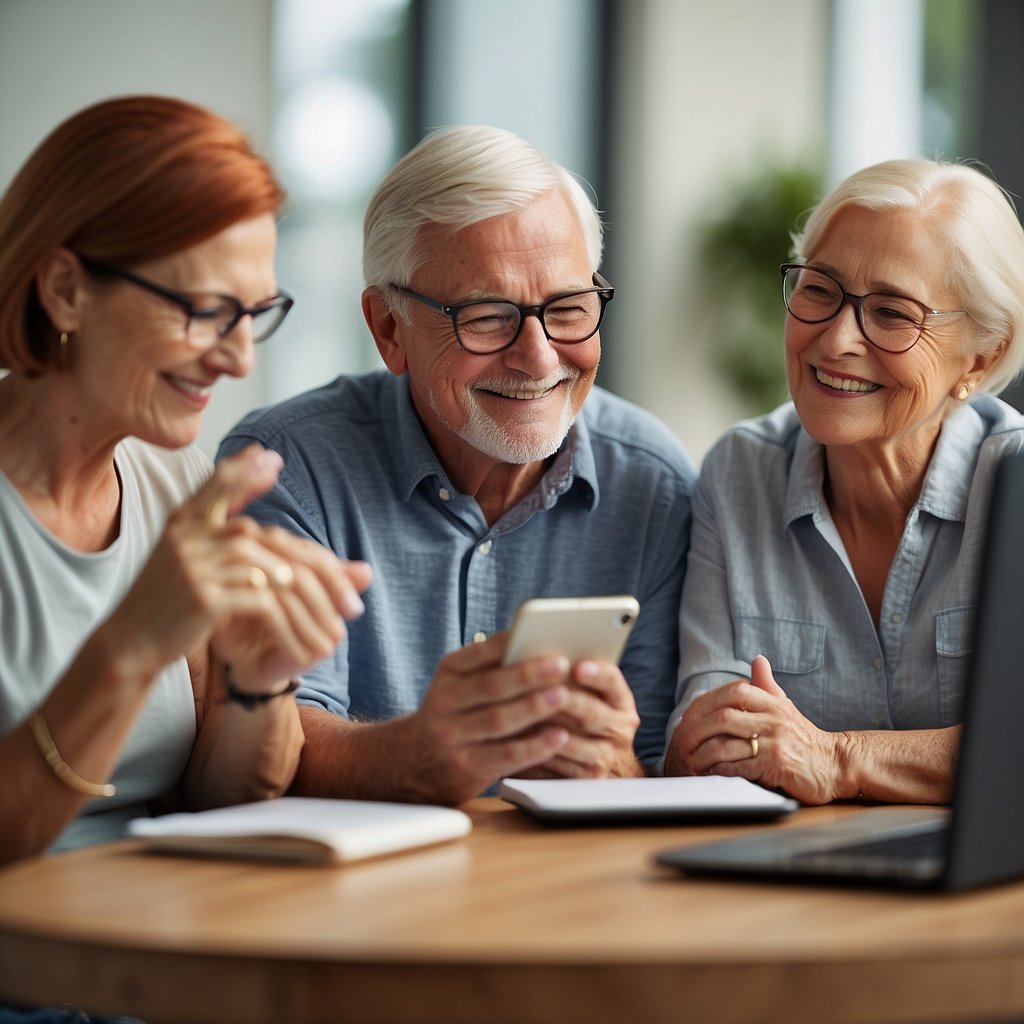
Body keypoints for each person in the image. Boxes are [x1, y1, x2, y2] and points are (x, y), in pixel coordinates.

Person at [218, 125, 695, 804]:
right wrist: (418, 755)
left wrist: (617, 770)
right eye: (488, 316)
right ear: (388, 328)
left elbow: (662, 765)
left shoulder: (653, 481)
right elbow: (264, 742)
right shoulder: (287, 467)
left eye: (566, 308)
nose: (538, 357)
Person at [0, 94, 372, 871]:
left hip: (144, 972)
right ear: (65, 289)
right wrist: (134, 640)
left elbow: (211, 804)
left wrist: (258, 685)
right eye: (205, 310)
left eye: (255, 313)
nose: (240, 358)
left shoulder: (173, 478)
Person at [664, 158, 1024, 805]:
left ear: (982, 356)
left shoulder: (1014, 480)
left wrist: (839, 758)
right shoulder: (739, 473)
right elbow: (712, 737)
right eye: (819, 290)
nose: (834, 341)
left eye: (890, 313)